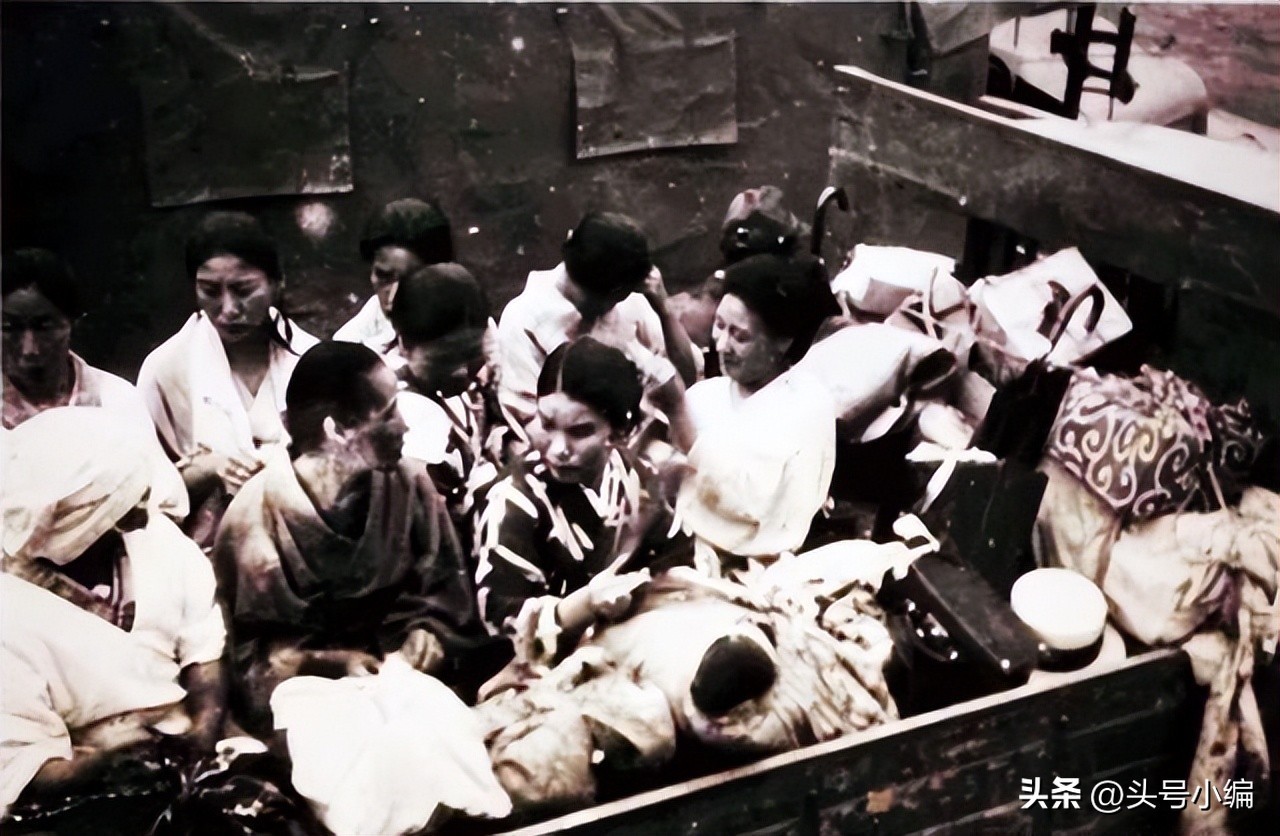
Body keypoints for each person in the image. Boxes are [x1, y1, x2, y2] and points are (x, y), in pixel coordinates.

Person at [214, 341, 500, 735]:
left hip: (409, 682)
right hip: (310, 708)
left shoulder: (408, 482)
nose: (404, 426)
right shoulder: (254, 522)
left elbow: (448, 595)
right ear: (338, 430)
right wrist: (330, 663)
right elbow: (248, 662)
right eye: (389, 414)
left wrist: (427, 635)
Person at [1, 408, 226, 822]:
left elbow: (204, 650)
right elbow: (20, 765)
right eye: (122, 506)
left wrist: (202, 732)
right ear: (74, 517)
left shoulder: (159, 539)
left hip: (182, 745)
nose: (142, 515)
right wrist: (103, 764)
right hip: (81, 790)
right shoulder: (10, 610)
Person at [475, 337, 691, 668]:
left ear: (618, 430)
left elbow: (678, 564)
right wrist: (585, 604)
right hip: (536, 669)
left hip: (632, 647)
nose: (558, 449)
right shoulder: (515, 497)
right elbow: (499, 617)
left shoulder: (640, 480)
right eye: (547, 425)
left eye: (580, 431)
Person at [136, 211, 318, 547]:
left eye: (243, 290)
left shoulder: (310, 359)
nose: (229, 309)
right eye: (210, 291)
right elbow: (142, 494)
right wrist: (208, 469)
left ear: (276, 284)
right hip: (205, 552)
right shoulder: (167, 369)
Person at [673, 254, 843, 560]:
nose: (721, 345)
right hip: (680, 543)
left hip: (755, 563)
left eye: (740, 336)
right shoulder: (703, 395)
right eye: (719, 325)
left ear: (783, 341)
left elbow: (747, 506)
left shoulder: (806, 405)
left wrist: (678, 417)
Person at [2, 249, 187, 520]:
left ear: (73, 322)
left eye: (45, 327)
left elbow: (161, 496)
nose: (29, 348)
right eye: (9, 328)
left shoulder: (116, 399)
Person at [494, 211, 697, 430]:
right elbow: (526, 423)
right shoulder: (523, 319)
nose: (613, 307)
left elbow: (688, 379)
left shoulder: (630, 296)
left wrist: (665, 311)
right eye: (613, 300)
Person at [386, 262, 509, 519]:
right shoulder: (408, 417)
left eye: (471, 355)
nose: (461, 372)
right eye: (444, 360)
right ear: (404, 344)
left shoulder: (464, 378)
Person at [333, 198, 455, 353]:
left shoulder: (472, 340)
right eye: (384, 277)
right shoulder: (351, 343)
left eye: (410, 282)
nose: (393, 298)